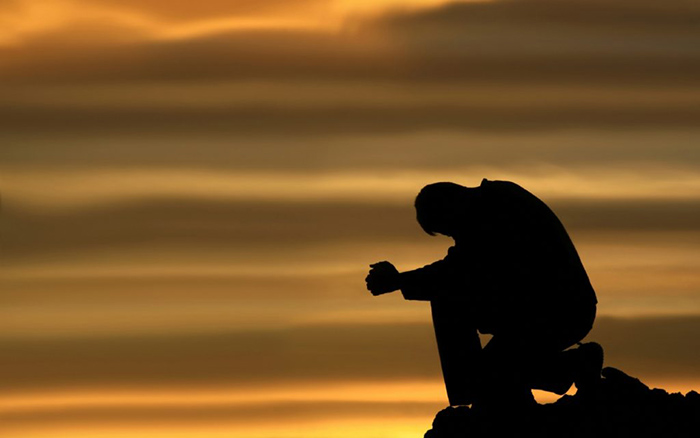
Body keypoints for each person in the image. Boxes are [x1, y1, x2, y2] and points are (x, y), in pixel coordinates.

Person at [365, 179, 602, 408]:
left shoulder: (495, 208)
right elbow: (464, 268)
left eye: (449, 230)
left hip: (557, 311)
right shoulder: (493, 203)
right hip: (541, 308)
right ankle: (565, 369)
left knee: (482, 365)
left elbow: (461, 271)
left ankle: (564, 369)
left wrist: (399, 281)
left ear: (451, 207)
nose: (455, 238)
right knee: (487, 372)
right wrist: (401, 280)